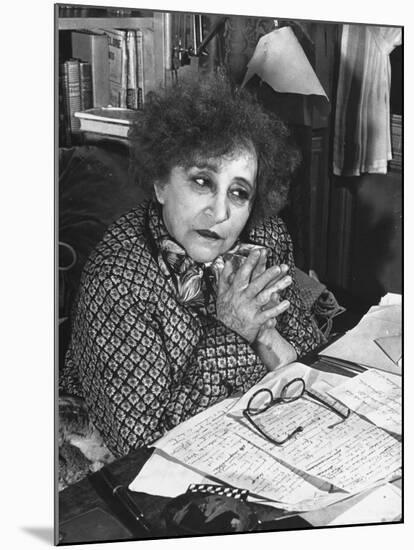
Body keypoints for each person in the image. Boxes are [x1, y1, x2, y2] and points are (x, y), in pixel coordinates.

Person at [60, 74, 323, 458]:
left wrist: (265, 336)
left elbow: (312, 355)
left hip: (256, 433)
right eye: (202, 181)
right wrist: (234, 331)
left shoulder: (263, 241)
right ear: (161, 184)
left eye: (238, 192)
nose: (219, 213)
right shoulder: (118, 279)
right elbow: (140, 446)